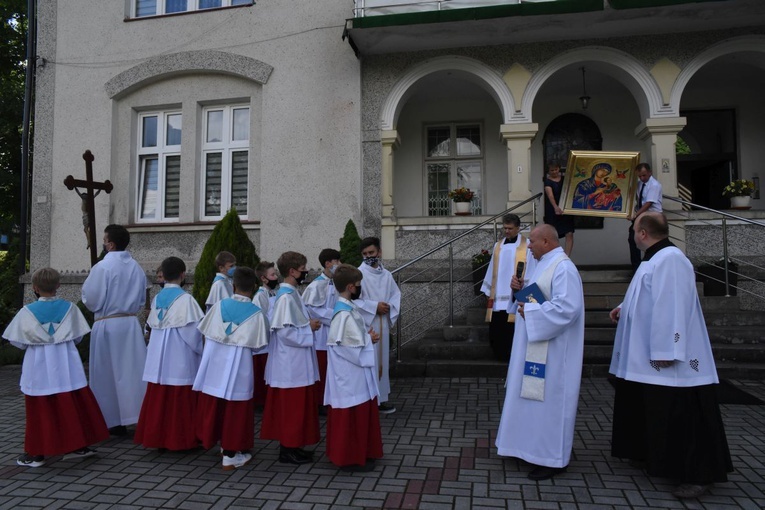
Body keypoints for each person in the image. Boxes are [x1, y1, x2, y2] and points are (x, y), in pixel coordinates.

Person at [609, 212, 732, 499]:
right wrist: (624, 307)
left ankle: (698, 473)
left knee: (683, 414)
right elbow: (649, 295)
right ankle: (652, 456)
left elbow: (673, 305)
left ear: (642, 233)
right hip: (646, 357)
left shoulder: (671, 259)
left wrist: (668, 349)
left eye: (633, 230)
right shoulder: (654, 258)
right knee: (653, 407)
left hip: (675, 361)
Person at [495, 224, 585, 481]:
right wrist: (519, 290)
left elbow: (568, 309)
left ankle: (553, 458)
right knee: (532, 400)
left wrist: (532, 312)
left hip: (555, 353)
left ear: (546, 241)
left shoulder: (564, 267)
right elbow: (539, 299)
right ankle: (529, 448)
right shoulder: (544, 263)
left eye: (532, 242)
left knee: (551, 402)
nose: (528, 246)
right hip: (535, 346)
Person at [3, 268, 109, 467]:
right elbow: (77, 337)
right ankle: (78, 445)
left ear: (34, 288)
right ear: (59, 286)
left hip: (38, 366)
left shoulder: (27, 312)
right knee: (70, 404)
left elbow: (18, 342)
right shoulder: (70, 309)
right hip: (66, 364)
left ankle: (37, 454)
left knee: (39, 408)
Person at [193, 267, 269, 470]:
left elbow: (204, 331)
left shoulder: (218, 306)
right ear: (253, 287)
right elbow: (260, 345)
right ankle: (230, 454)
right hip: (239, 366)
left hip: (215, 364)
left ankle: (219, 443)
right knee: (236, 409)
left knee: (216, 403)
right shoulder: (257, 314)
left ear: (233, 285)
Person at [82, 224, 148, 436]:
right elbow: (141, 299)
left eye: (104, 239)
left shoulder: (102, 267)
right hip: (129, 325)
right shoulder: (136, 267)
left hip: (107, 324)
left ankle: (112, 420)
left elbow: (91, 299)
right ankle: (135, 416)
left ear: (110, 244)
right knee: (131, 372)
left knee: (106, 373)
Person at [134, 257, 204, 451]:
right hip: (179, 358)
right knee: (179, 402)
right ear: (183, 275)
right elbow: (193, 334)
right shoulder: (186, 300)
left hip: (159, 360)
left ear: (163, 275)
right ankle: (180, 440)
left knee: (159, 401)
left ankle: (159, 438)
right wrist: (203, 351)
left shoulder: (158, 299)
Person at [260, 251, 322, 464]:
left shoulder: (291, 293)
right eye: (304, 268)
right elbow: (285, 333)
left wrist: (306, 326)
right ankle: (287, 450)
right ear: (292, 271)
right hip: (289, 364)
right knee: (292, 409)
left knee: (298, 408)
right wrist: (309, 327)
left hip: (296, 361)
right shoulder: (285, 298)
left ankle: (295, 446)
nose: (307, 272)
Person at [324, 264, 383, 472]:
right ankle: (348, 458)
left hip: (353, 374)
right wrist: (369, 340)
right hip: (349, 377)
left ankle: (361, 452)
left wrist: (367, 338)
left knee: (357, 413)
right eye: (358, 285)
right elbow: (348, 348)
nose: (360, 288)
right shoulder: (343, 315)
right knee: (350, 416)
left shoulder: (348, 309)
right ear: (350, 287)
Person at [355, 237, 401, 414]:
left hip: (382, 322)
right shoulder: (358, 274)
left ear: (379, 252)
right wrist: (374, 307)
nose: (368, 257)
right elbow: (354, 301)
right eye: (365, 254)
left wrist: (388, 306)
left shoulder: (387, 275)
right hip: (368, 324)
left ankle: (380, 399)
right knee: (370, 362)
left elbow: (395, 295)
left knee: (382, 362)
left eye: (371, 253)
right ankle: (368, 400)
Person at [480, 214, 534, 361]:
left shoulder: (527, 245)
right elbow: (492, 268)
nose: (507, 231)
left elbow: (531, 270)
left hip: (516, 294)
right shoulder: (498, 246)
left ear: (518, 228)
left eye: (510, 228)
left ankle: (513, 356)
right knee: (497, 328)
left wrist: (525, 292)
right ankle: (499, 354)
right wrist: (488, 290)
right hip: (498, 296)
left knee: (513, 327)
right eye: (505, 228)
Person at [302, 248, 342, 412]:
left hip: (334, 332)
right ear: (328, 264)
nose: (339, 264)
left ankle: (330, 398)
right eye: (337, 261)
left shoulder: (335, 282)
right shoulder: (317, 285)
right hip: (321, 334)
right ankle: (320, 403)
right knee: (322, 367)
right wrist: (337, 316)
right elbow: (313, 309)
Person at [252, 261, 279, 409]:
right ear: (263, 278)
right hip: (265, 343)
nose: (276, 277)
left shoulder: (274, 293)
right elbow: (260, 320)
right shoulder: (260, 296)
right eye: (273, 275)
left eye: (275, 274)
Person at [627, 163, 662, 271]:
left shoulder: (654, 185)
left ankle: (653, 266)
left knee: (652, 240)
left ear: (650, 173)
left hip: (652, 216)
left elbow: (648, 203)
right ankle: (636, 267)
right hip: (641, 215)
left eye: (644, 175)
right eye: (640, 176)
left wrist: (635, 215)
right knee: (633, 239)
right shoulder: (639, 184)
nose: (642, 178)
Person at [543, 163, 575, 256]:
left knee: (569, 233)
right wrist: (556, 207)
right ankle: (556, 256)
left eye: (556, 169)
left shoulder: (565, 179)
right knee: (553, 234)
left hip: (566, 209)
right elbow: (550, 195)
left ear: (559, 169)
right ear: (549, 171)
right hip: (553, 210)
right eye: (552, 170)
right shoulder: (548, 181)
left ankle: (567, 256)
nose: (554, 172)